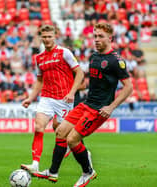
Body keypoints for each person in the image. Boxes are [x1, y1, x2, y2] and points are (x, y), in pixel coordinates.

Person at [34, 23, 133, 186]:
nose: (96, 39)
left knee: (72, 139)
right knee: (60, 131)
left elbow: (128, 87)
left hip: (98, 109)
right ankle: (53, 172)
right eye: (95, 36)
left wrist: (110, 107)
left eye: (100, 36)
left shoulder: (116, 61)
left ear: (110, 38)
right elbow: (92, 82)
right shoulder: (94, 56)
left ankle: (88, 172)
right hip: (86, 103)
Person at [20, 25, 84, 174]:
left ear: (55, 37)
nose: (47, 39)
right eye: (44, 36)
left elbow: (80, 73)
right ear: (41, 38)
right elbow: (39, 81)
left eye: (50, 36)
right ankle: (35, 164)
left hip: (64, 99)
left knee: (63, 133)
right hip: (47, 98)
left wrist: (72, 92)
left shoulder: (64, 52)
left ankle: (84, 156)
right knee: (38, 127)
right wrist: (30, 98)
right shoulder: (39, 58)